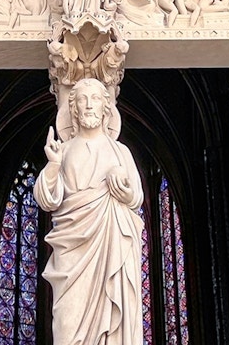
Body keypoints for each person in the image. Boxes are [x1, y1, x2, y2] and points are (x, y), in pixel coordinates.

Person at [33, 78, 144, 345]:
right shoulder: (64, 150)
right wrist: (53, 165)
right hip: (72, 257)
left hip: (112, 248)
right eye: (82, 100)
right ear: (74, 109)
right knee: (67, 325)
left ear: (106, 108)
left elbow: (136, 198)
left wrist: (122, 189)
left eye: (95, 99)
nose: (89, 105)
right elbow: (48, 199)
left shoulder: (121, 152)